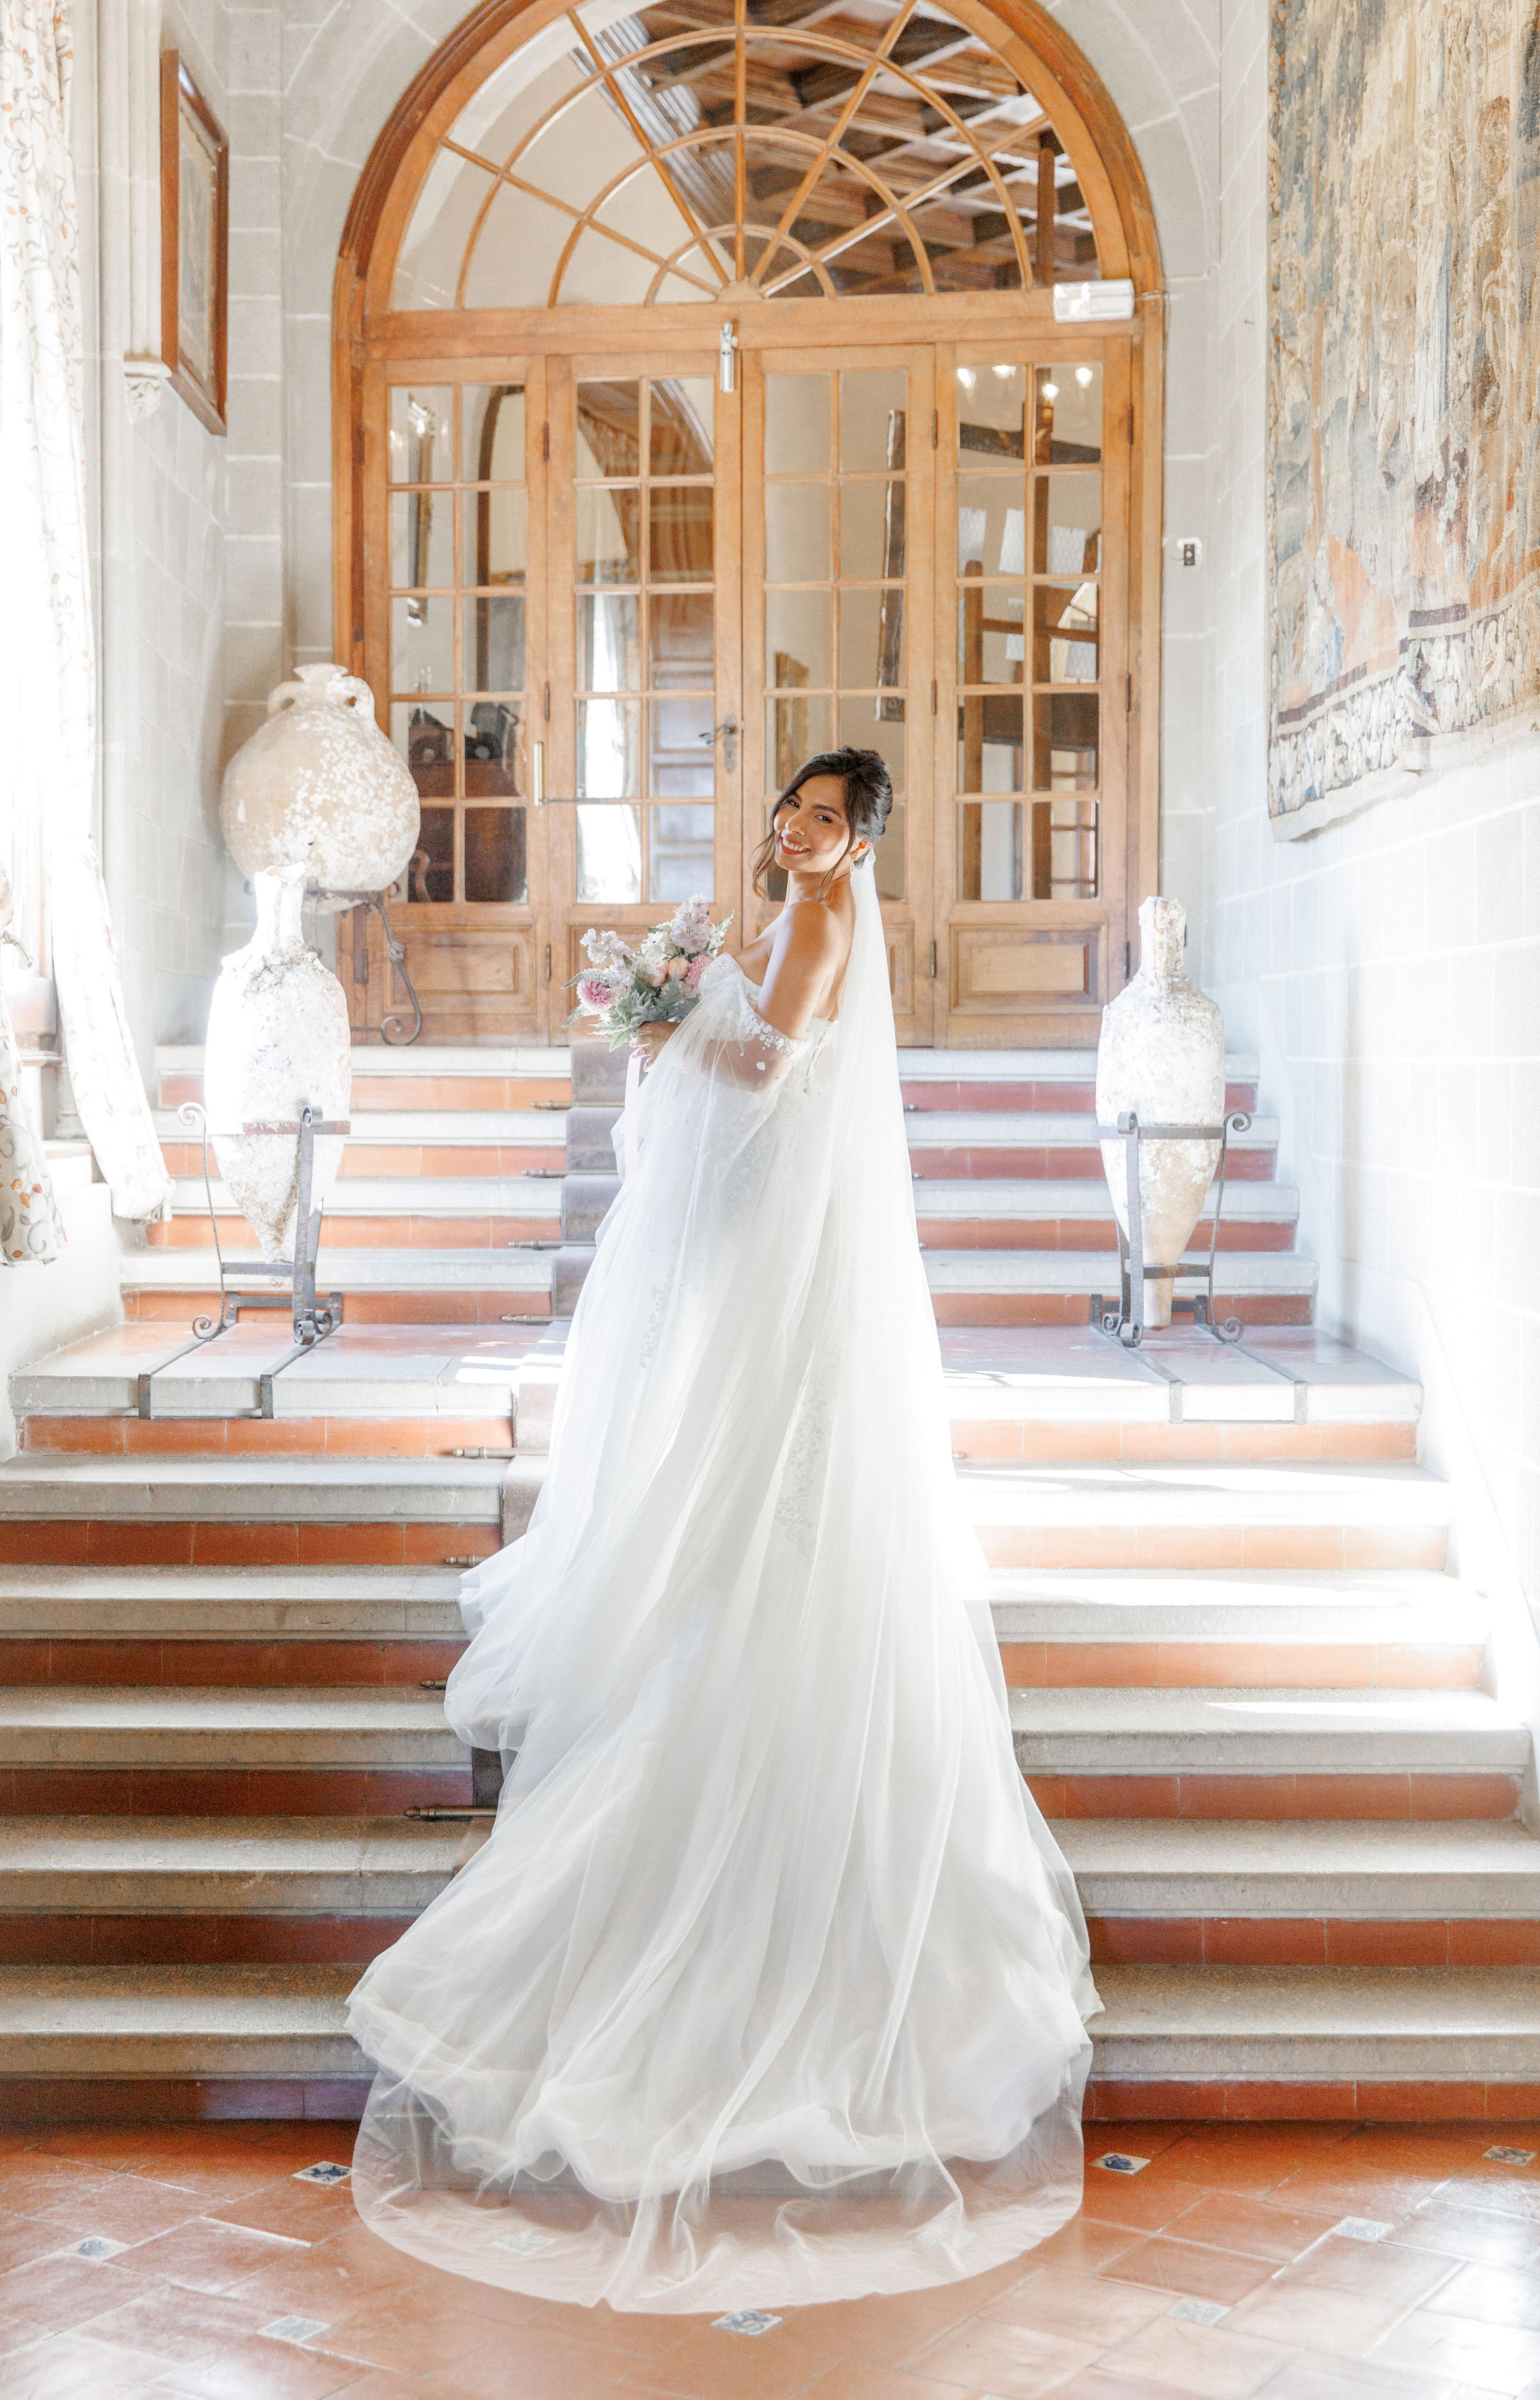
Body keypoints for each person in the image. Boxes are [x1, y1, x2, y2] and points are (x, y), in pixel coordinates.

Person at [347, 748, 1099, 2314]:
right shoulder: (797, 912)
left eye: (820, 821)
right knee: (733, 1478)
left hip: (785, 1257)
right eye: (790, 812)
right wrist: (680, 995)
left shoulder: (823, 926)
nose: (793, 833)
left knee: (762, 1481)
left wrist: (677, 1009)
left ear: (856, 842)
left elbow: (771, 1068)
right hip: (767, 1238)